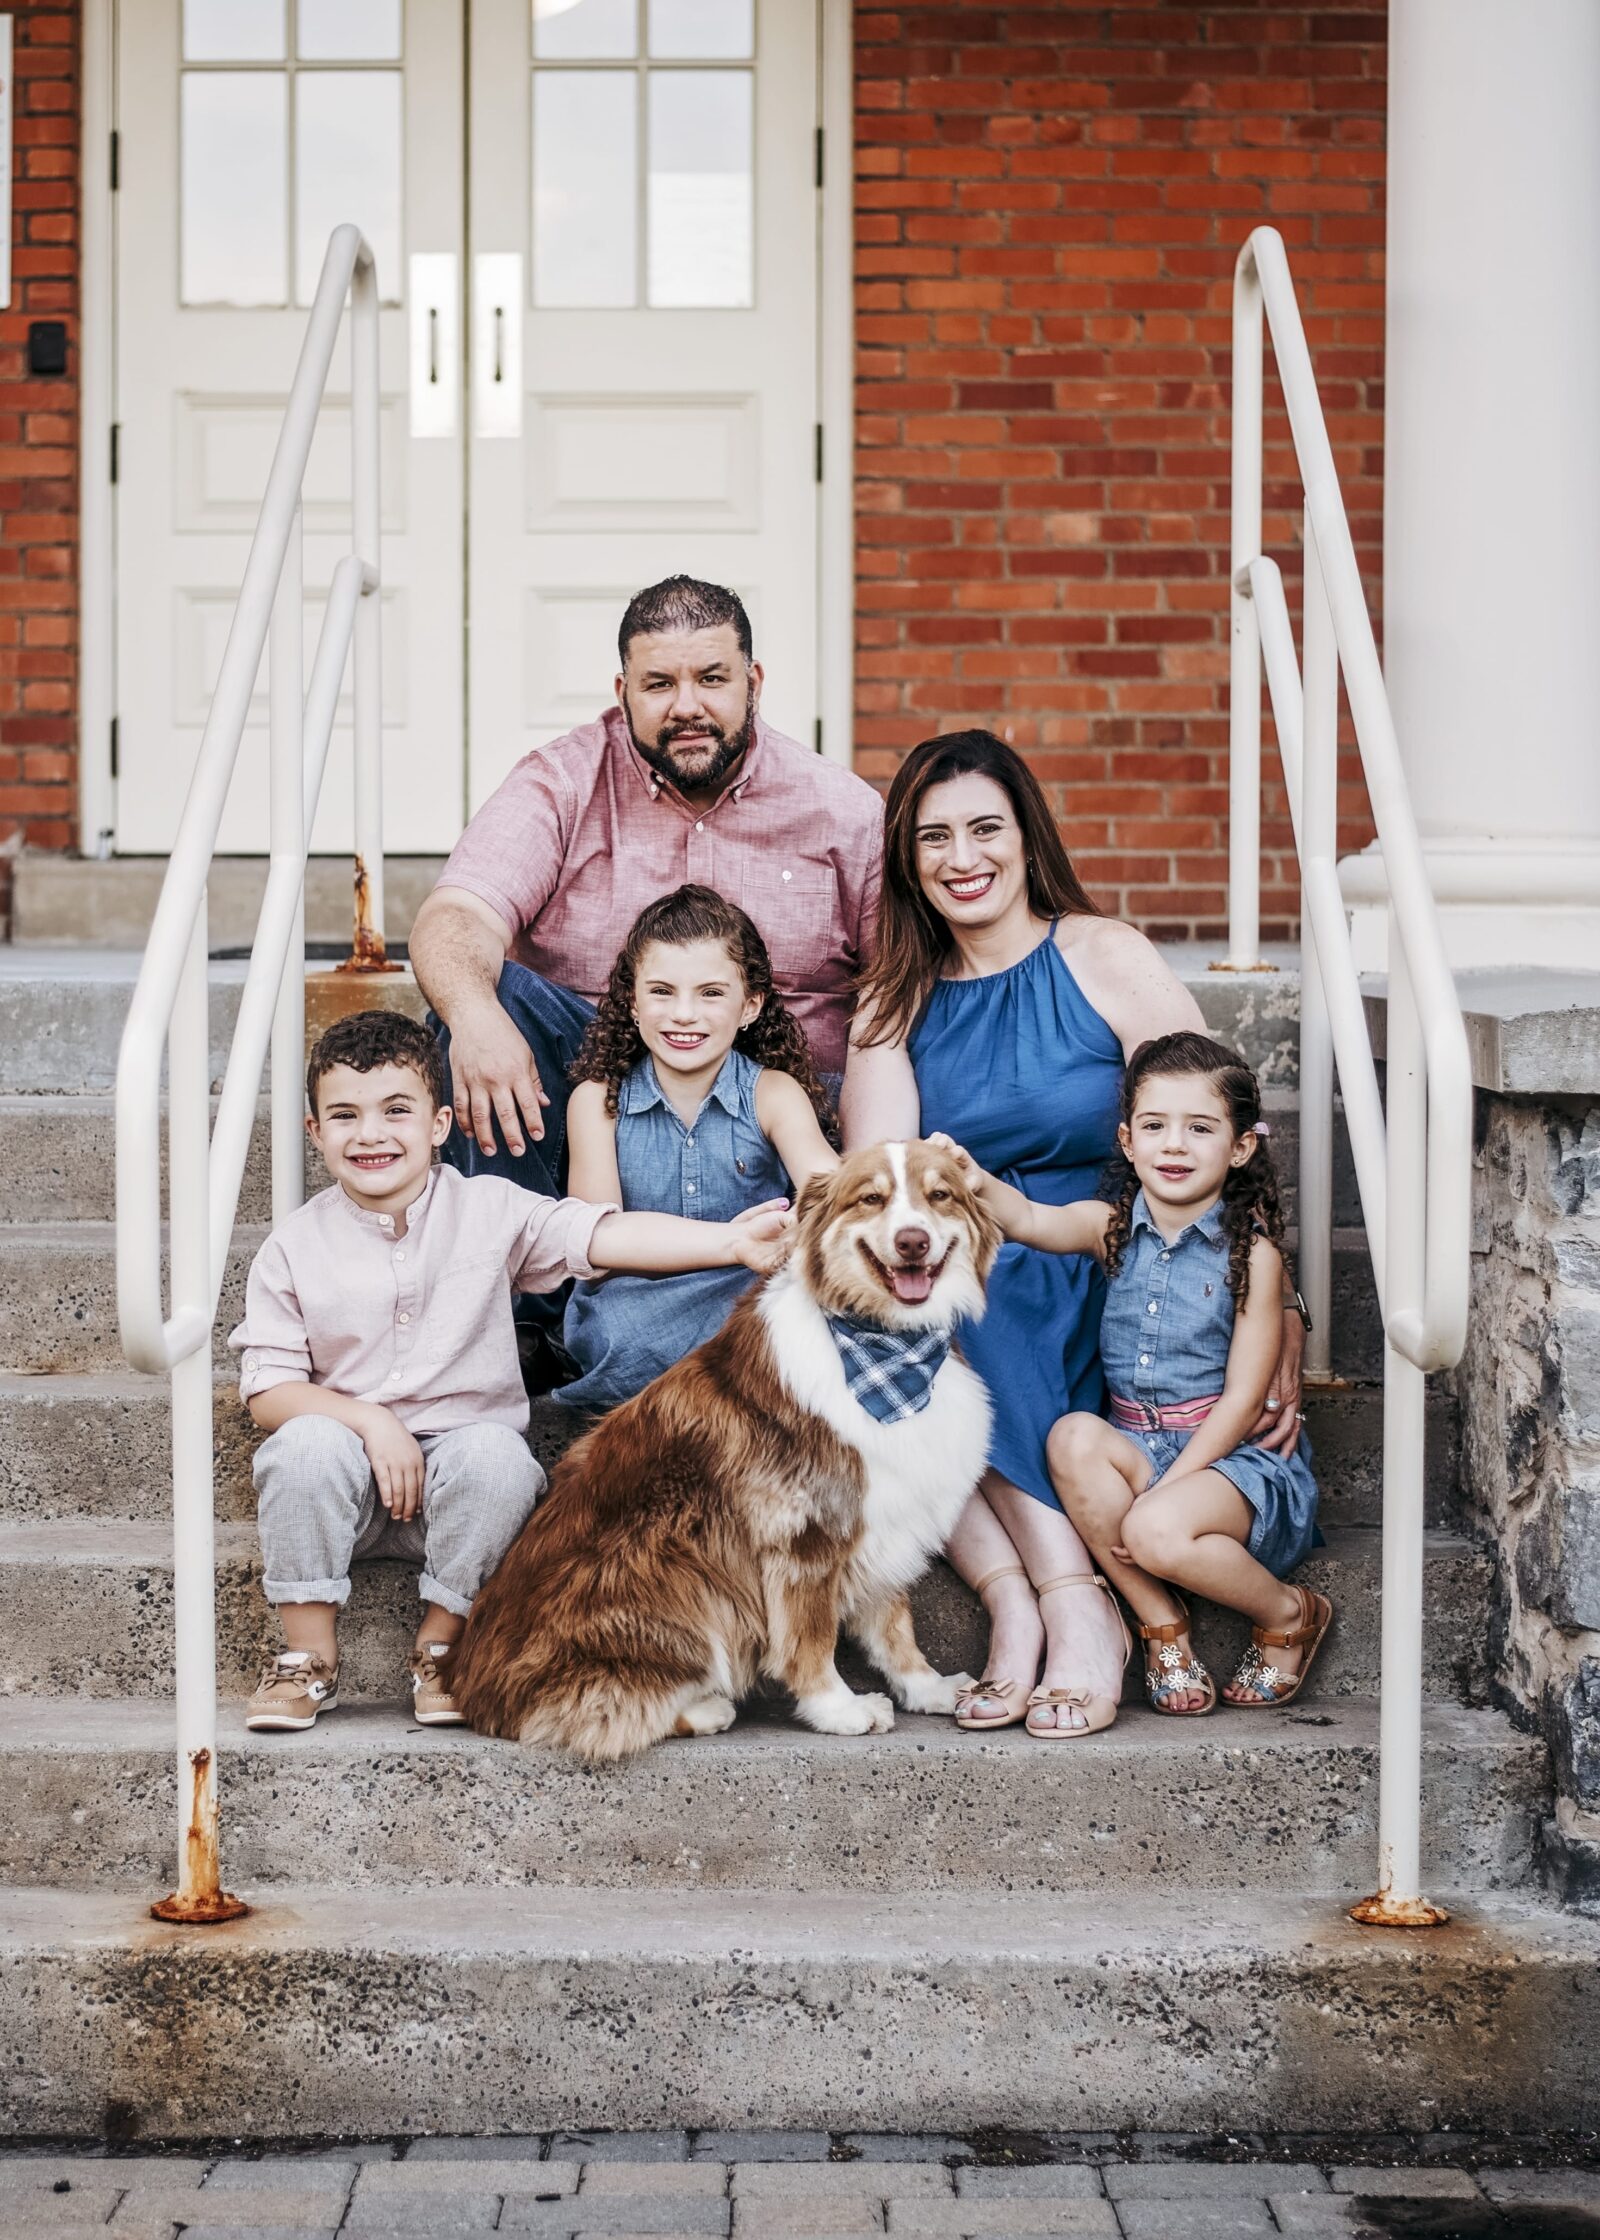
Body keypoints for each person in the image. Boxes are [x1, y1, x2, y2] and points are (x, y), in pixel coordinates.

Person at [842, 729, 1307, 1736]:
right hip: (967, 1248)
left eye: (983, 829)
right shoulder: (893, 999)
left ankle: (1073, 1609)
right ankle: (1037, 1598)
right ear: (905, 859)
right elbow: (879, 1189)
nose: (962, 858)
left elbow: (1226, 1125)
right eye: (934, 838)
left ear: (1024, 835)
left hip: (1116, 1244)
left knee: (992, 1293)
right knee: (899, 1310)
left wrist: (1280, 1302)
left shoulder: (1103, 953)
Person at [228, 1010, 790, 1734]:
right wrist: (369, 1422)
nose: (370, 1134)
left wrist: (728, 1241)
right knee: (301, 1446)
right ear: (315, 1132)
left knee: (500, 1457)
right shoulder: (294, 1245)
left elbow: (600, 1233)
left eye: (396, 1111)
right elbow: (268, 1389)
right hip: (349, 1484)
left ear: (438, 1124)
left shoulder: (487, 1208)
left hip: (468, 1489)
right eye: (345, 1116)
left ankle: (442, 1650)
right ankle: (308, 1660)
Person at [410, 575, 882, 1200]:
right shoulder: (562, 783)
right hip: (592, 1096)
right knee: (486, 995)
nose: (687, 706)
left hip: (777, 1115)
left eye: (712, 678)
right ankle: (521, 1279)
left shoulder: (841, 809)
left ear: (754, 683)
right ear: (623, 691)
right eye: (660, 684)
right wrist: (475, 1017)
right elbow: (456, 916)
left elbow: (898, 985)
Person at [937, 1032, 1326, 1734]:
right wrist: (969, 1174)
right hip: (1139, 1444)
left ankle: (1286, 1612)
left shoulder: (1254, 1256)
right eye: (1155, 1126)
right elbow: (1027, 1219)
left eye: (1200, 1129)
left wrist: (1178, 1484)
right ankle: (1159, 1620)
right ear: (1125, 1139)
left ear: (1239, 1147)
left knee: (1152, 1528)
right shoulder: (1107, 1226)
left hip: (1232, 1463)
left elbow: (1243, 1399)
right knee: (1071, 1438)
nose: (1174, 1145)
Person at [556, 885, 838, 1412]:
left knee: (789, 1315)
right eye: (662, 991)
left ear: (750, 1005)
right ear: (632, 1003)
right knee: (625, 1333)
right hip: (636, 1295)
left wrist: (794, 1227)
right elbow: (597, 1244)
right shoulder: (596, 1100)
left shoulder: (772, 1092)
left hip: (748, 1285)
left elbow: (830, 1191)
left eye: (711, 993)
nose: (684, 1014)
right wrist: (731, 1240)